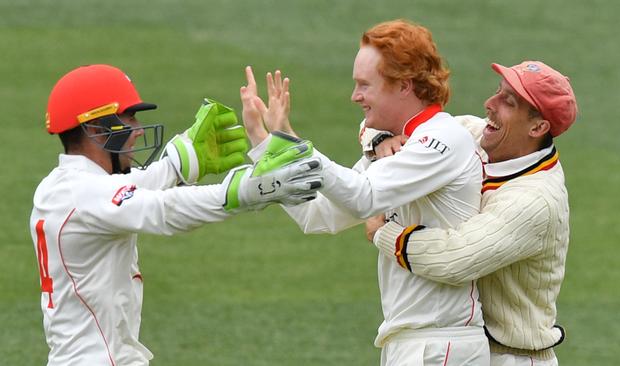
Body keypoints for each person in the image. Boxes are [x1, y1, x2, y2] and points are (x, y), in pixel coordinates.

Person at [29, 64, 323, 366]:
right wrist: (242, 192)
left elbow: (128, 188)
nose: (138, 130)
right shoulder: (83, 193)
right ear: (94, 128)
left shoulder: (65, 186)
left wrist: (180, 162)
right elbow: (161, 209)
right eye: (128, 118)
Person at [241, 19, 489, 365]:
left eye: (364, 85)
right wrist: (264, 143)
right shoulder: (395, 148)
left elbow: (363, 196)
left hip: (440, 344)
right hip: (411, 341)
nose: (354, 96)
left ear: (404, 85)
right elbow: (317, 216)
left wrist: (293, 143)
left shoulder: (442, 141)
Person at [368, 60, 578, 366]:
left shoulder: (536, 200)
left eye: (508, 102)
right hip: (468, 349)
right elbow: (389, 118)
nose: (489, 104)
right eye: (498, 91)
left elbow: (455, 259)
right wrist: (381, 140)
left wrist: (383, 233)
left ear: (537, 127)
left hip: (512, 358)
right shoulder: (473, 134)